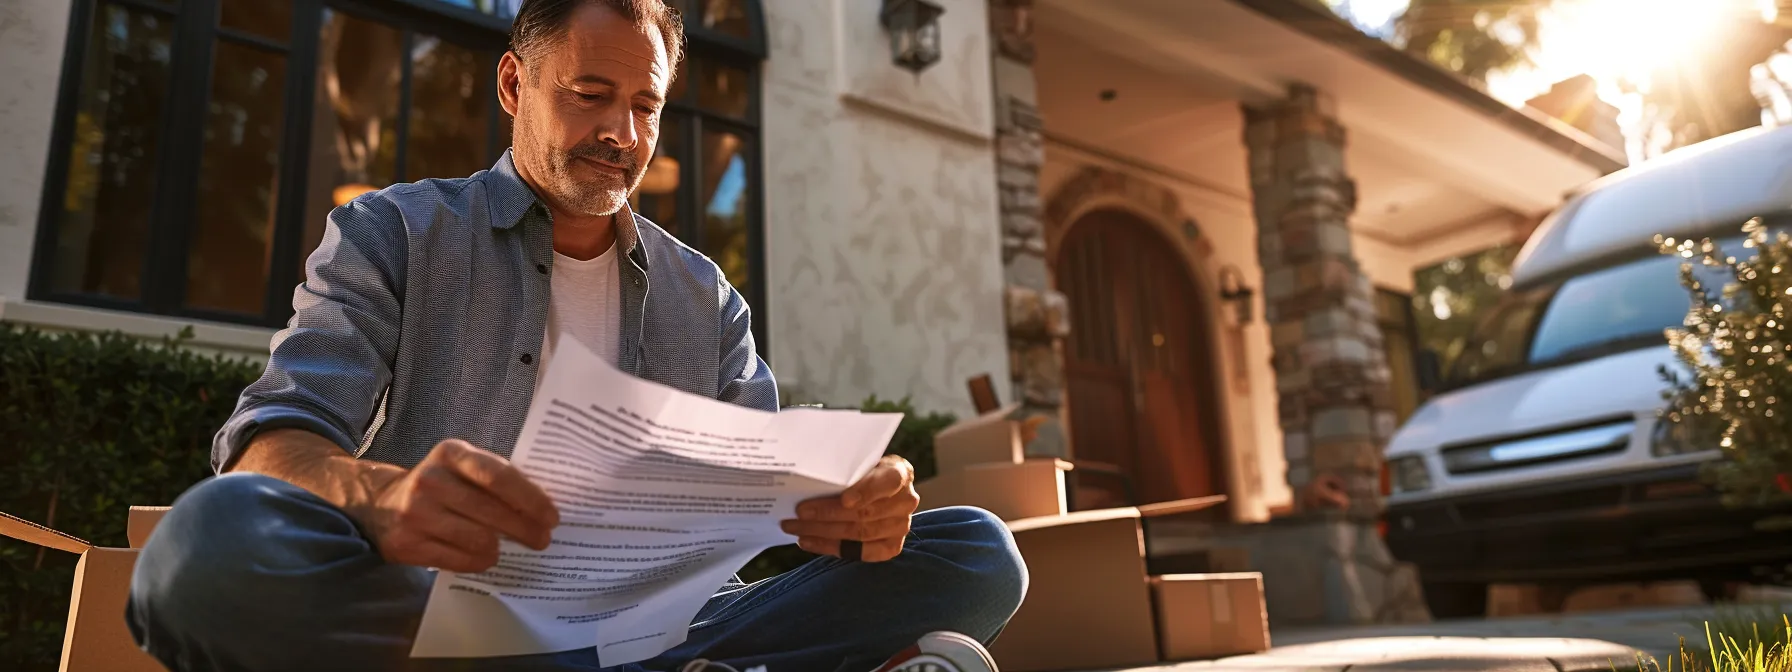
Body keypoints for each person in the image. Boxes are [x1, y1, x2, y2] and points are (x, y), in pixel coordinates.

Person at [123, 0, 1027, 670]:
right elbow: (271, 440)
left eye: (647, 105)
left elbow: (768, 498)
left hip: (669, 624)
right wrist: (383, 498)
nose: (622, 134)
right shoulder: (392, 234)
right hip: (440, 621)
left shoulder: (703, 294)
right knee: (204, 550)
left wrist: (845, 512)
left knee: (976, 550)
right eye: (591, 94)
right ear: (515, 83)